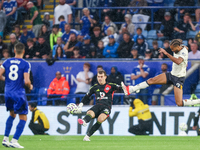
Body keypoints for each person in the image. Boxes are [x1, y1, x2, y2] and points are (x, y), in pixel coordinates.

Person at [121, 39, 200, 107]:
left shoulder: (183, 52)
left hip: (178, 78)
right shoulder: (180, 49)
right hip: (171, 74)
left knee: (179, 103)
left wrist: (166, 53)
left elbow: (178, 61)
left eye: (173, 48)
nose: (172, 50)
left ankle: (197, 101)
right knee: (152, 80)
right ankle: (131, 89)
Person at [0, 42, 33, 148]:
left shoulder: (6, 61)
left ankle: (5, 139)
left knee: (12, 115)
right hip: (18, 94)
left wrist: (6, 80)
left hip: (8, 93)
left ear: (14, 51)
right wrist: (30, 86)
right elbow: (27, 81)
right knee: (23, 117)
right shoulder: (25, 64)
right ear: (23, 51)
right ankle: (14, 140)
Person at [75, 70, 122, 141]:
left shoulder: (111, 85)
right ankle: (84, 121)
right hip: (97, 106)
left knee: (100, 119)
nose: (100, 78)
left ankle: (87, 136)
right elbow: (86, 96)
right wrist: (80, 105)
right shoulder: (95, 87)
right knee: (90, 113)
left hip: (106, 107)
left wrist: (130, 89)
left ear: (105, 77)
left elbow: (121, 88)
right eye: (98, 77)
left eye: (101, 76)